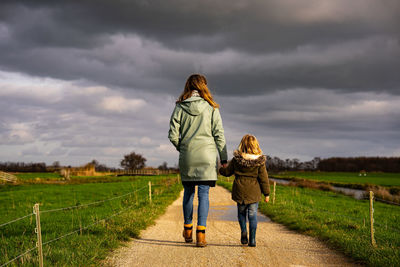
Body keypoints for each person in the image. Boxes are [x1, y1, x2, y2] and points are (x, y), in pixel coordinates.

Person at [168, 74, 227, 247]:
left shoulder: (179, 107)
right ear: (204, 87)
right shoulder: (212, 107)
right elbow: (219, 135)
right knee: (204, 194)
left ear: (187, 86)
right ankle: (201, 235)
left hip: (188, 156)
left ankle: (187, 229)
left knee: (188, 193)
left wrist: (183, 148)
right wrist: (223, 159)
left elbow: (172, 135)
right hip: (207, 157)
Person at [219, 134, 270, 247]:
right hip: (254, 192)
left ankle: (243, 231)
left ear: (242, 144)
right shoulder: (260, 162)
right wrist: (267, 194)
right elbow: (264, 179)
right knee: (253, 216)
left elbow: (227, 172)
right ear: (256, 145)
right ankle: (252, 239)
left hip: (240, 190)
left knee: (241, 214)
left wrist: (220, 169)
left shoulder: (237, 159)